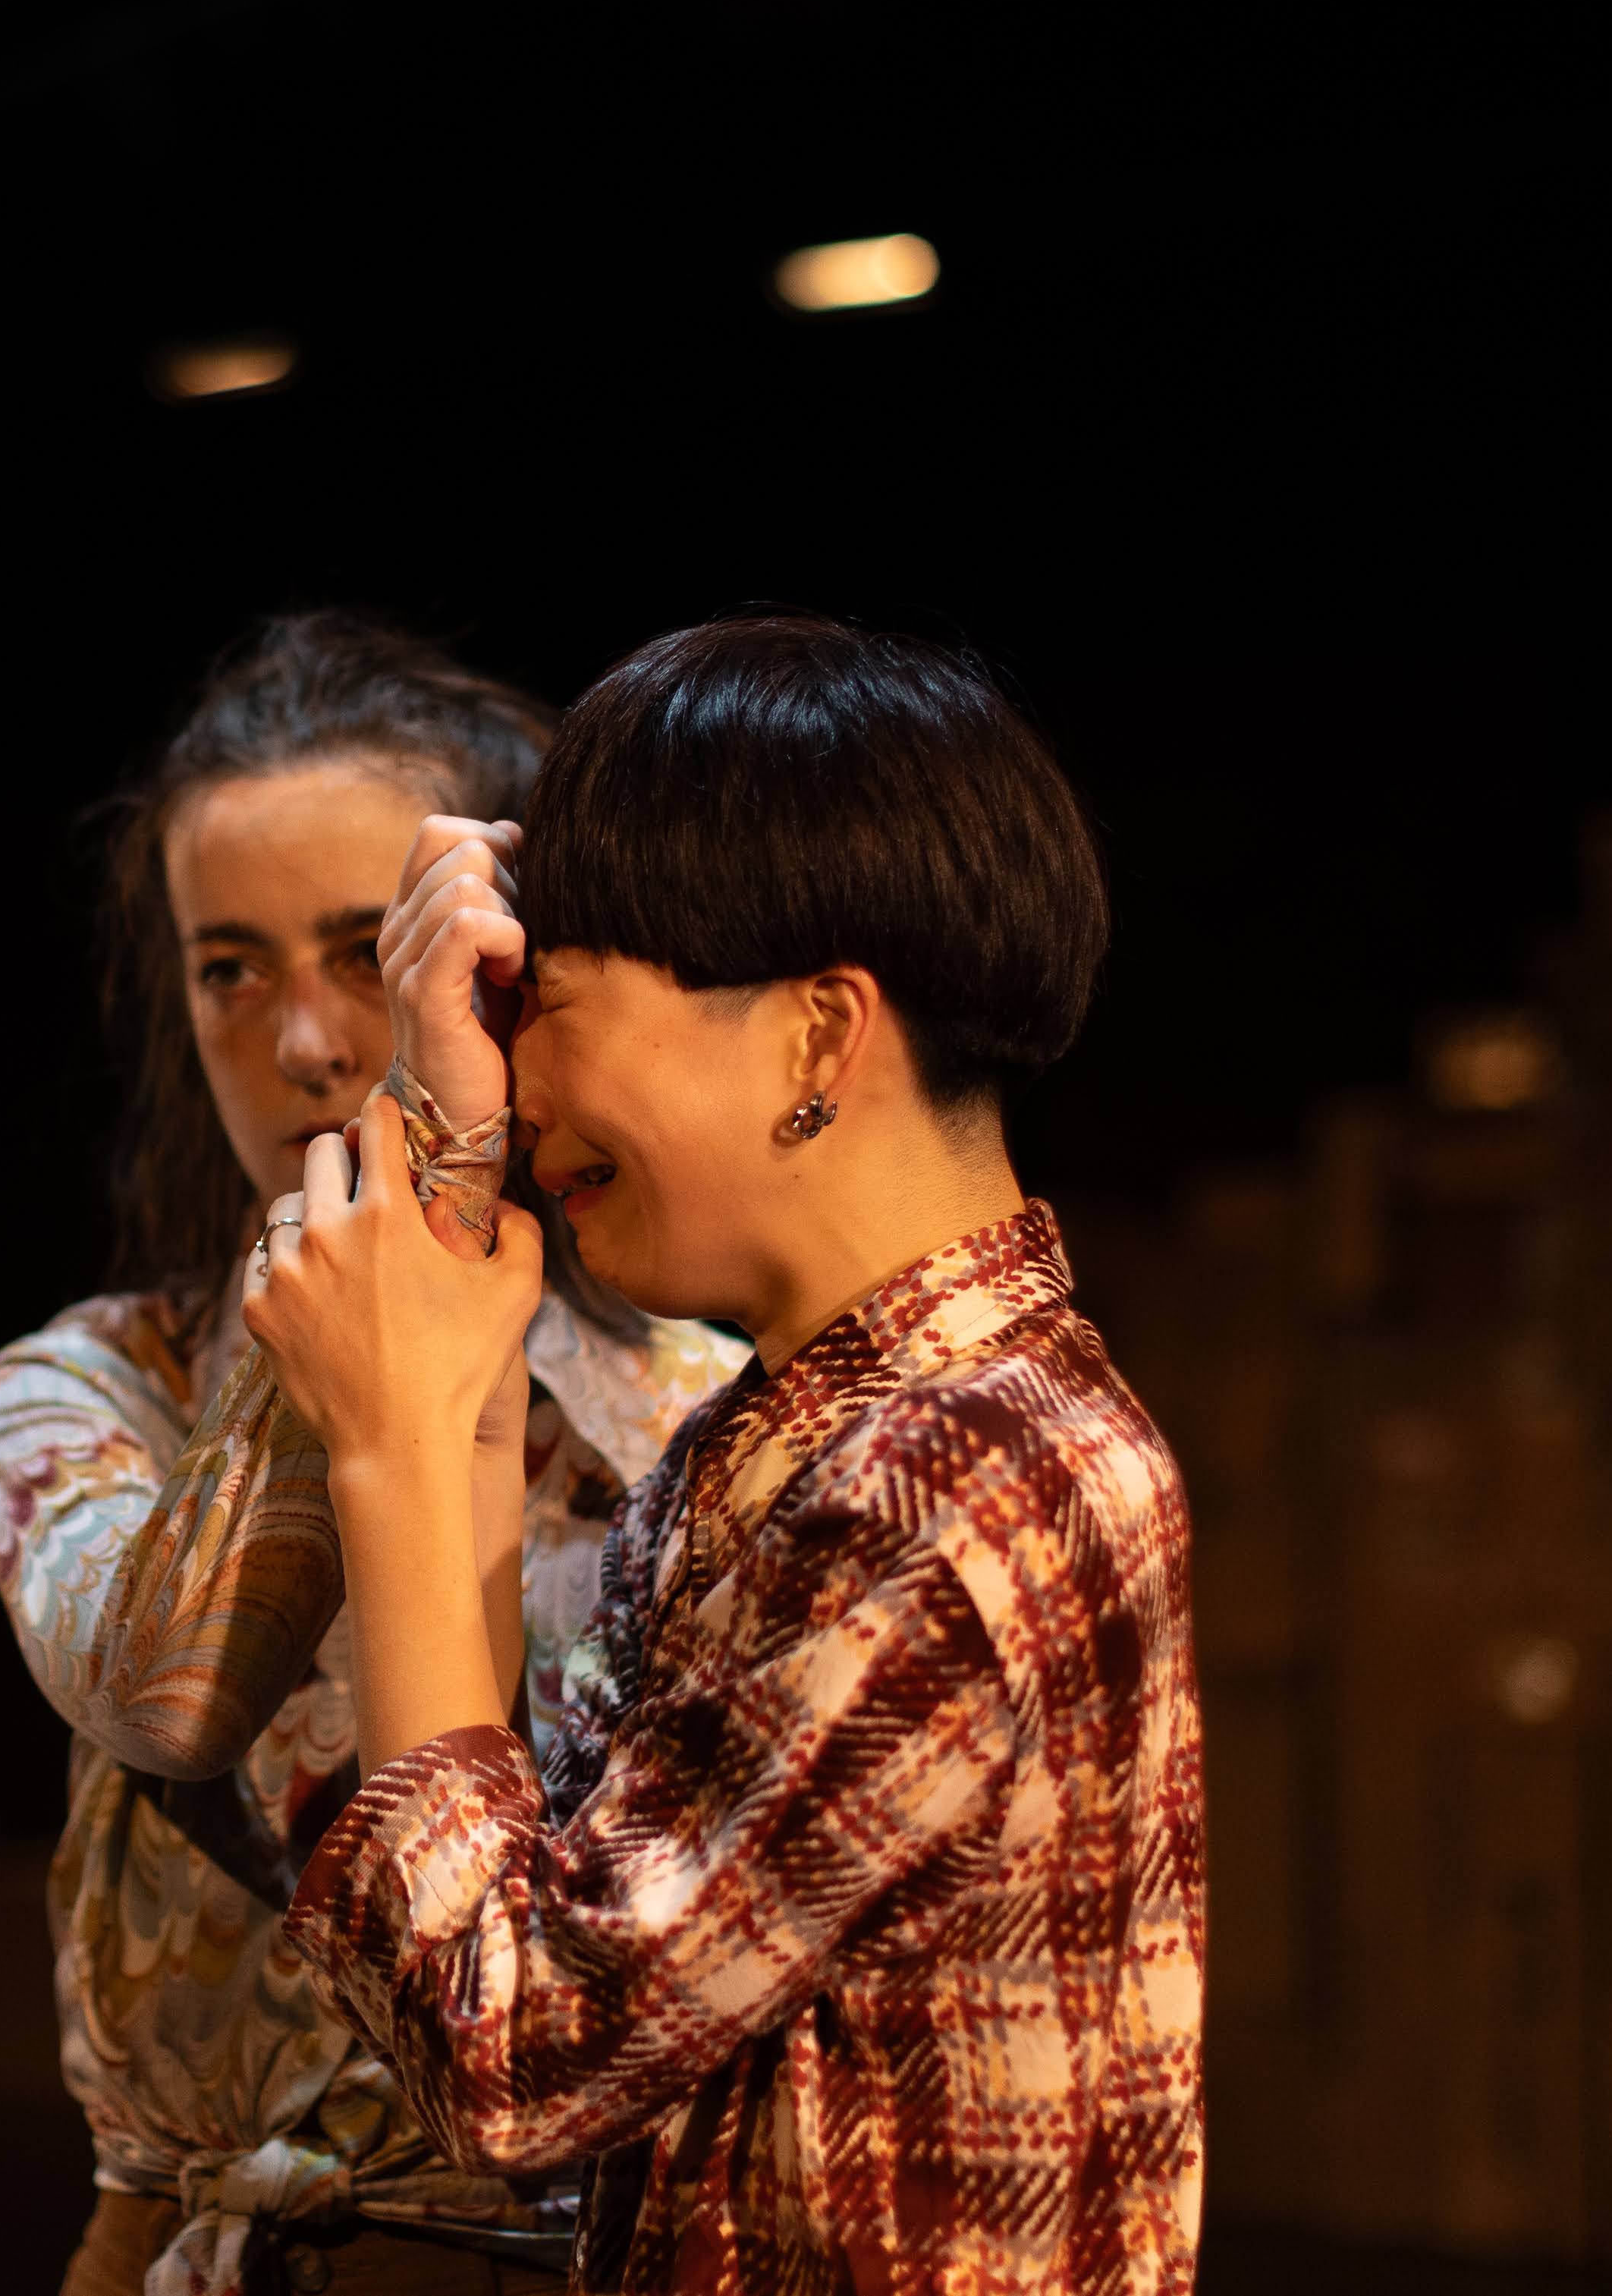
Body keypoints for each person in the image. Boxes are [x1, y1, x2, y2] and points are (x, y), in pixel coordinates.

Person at [241, 612, 1205, 2294]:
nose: (512, 1078)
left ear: (820, 1037)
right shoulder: (794, 1440)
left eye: (542, 1004)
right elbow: (523, 1880)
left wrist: (391, 1441)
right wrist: (444, 1299)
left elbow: (520, 2049)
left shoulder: (963, 1477)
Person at [0, 612, 753, 2296]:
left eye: (366, 953)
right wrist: (423, 1158)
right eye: (228, 966)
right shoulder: (91, 1382)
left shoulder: (703, 1402)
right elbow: (170, 1692)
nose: (309, 1044)